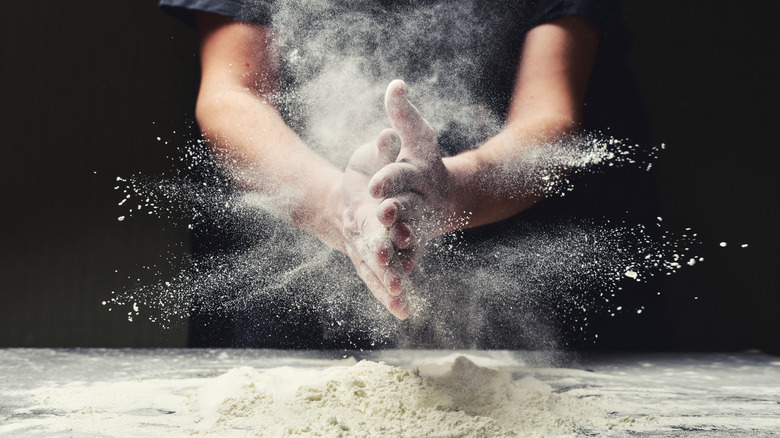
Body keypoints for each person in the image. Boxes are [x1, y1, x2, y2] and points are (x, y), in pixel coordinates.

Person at [161, 0, 663, 349]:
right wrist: (337, 205)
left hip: (513, 231)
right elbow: (232, 96)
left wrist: (449, 192)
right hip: (298, 250)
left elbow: (549, 118)